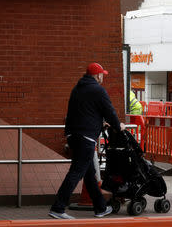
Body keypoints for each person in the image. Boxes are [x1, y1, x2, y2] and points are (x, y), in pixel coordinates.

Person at [49, 62, 126, 219]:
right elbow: (109, 111)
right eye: (102, 74)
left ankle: (100, 208)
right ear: (97, 75)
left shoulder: (77, 89)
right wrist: (118, 127)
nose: (103, 77)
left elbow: (83, 112)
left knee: (89, 175)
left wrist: (99, 122)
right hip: (85, 138)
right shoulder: (98, 90)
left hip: (73, 135)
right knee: (76, 172)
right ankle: (58, 207)